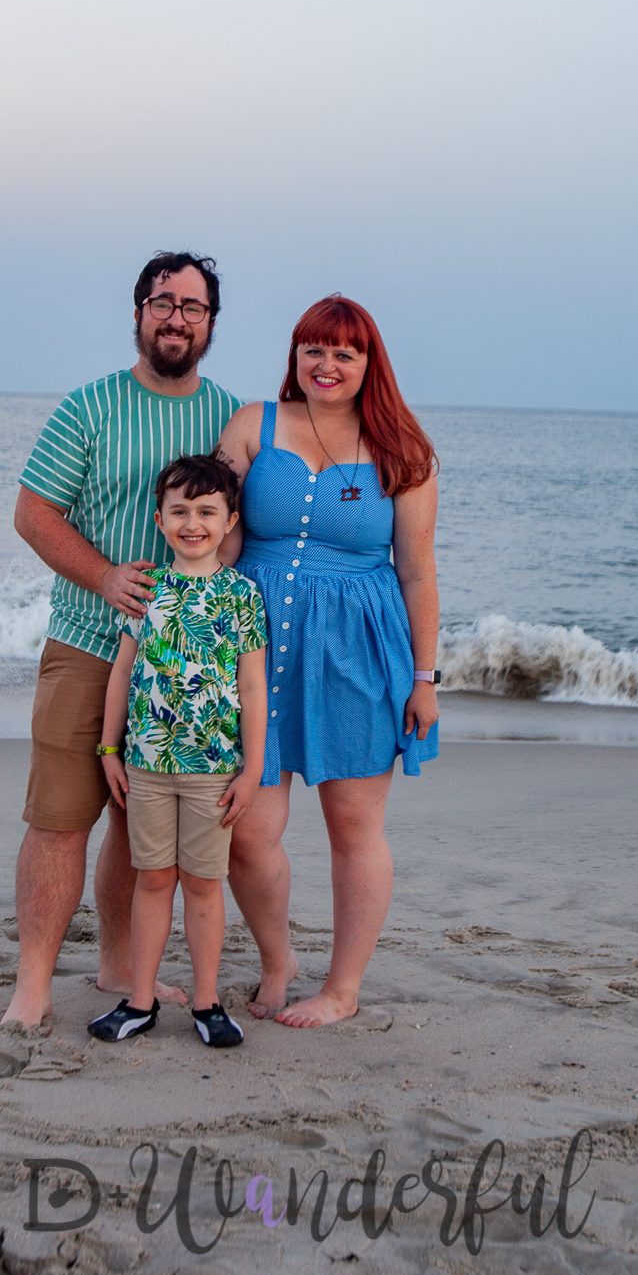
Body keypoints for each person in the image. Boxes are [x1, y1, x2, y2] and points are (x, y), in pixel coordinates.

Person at [1, 252, 241, 1028]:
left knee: (138, 826)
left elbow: (244, 529)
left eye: (193, 306)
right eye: (163, 302)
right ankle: (32, 985)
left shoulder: (229, 417)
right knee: (60, 819)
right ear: (139, 312)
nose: (177, 318)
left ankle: (114, 965)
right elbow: (33, 512)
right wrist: (104, 575)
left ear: (210, 323)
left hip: (183, 670)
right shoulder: (90, 407)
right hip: (89, 644)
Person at [218, 295, 439, 1028]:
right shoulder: (254, 424)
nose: (327, 364)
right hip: (253, 648)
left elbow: (417, 573)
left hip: (357, 650)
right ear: (296, 355)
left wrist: (425, 679)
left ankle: (343, 989)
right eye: (314, 348)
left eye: (345, 352)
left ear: (370, 364)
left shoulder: (403, 450)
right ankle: (278, 961)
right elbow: (216, 533)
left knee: (353, 827)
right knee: (247, 830)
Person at [87, 453, 268, 1047]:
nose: (193, 523)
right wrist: (110, 750)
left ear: (230, 520)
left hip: (213, 770)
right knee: (153, 879)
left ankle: (207, 1002)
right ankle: (139, 1001)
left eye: (207, 512)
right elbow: (122, 672)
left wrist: (253, 768)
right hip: (146, 766)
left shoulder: (241, 595)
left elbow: (252, 686)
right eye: (180, 511)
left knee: (204, 884)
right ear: (160, 520)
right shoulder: (147, 590)